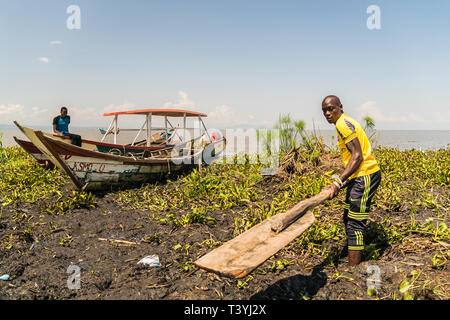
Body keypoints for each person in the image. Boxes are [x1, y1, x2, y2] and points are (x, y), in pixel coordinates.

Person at [321, 95, 382, 266]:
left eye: (331, 108)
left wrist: (337, 183)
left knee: (355, 223)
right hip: (358, 177)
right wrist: (341, 181)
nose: (327, 113)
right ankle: (354, 256)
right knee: (348, 217)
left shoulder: (342, 124)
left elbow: (357, 157)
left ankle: (353, 269)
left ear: (340, 107)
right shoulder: (344, 122)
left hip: (365, 175)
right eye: (324, 110)